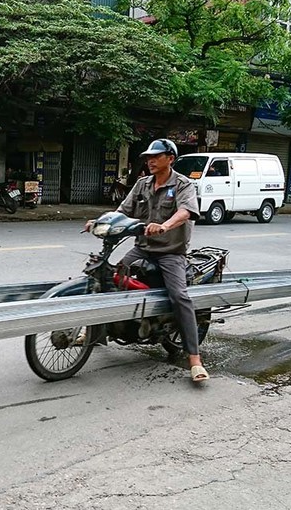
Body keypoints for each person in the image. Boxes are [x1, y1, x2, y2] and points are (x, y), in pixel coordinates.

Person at [86, 138, 208, 382]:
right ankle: (96, 330)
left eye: (157, 156)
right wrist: (99, 221)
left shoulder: (184, 185)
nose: (151, 160)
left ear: (170, 159)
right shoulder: (142, 184)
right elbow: (121, 212)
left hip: (171, 252)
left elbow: (185, 212)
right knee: (108, 277)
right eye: (149, 157)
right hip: (142, 249)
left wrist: (164, 225)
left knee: (179, 296)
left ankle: (194, 359)